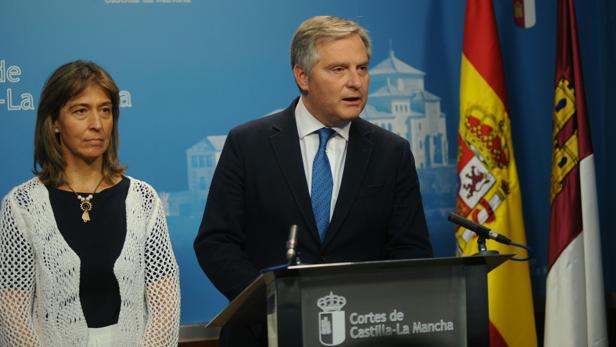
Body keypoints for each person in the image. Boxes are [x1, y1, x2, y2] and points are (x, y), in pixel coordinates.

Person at [194, 16, 432, 346]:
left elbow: (411, 250)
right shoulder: (249, 144)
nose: (356, 82)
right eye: (338, 69)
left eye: (362, 68)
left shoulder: (392, 152)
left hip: (363, 333)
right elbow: (216, 242)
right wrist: (274, 307)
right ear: (302, 76)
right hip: (265, 333)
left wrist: (370, 314)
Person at [0, 61, 180, 346]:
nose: (97, 124)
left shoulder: (144, 201)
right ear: (55, 122)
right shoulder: (22, 206)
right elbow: (12, 311)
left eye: (105, 110)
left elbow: (164, 302)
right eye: (81, 111)